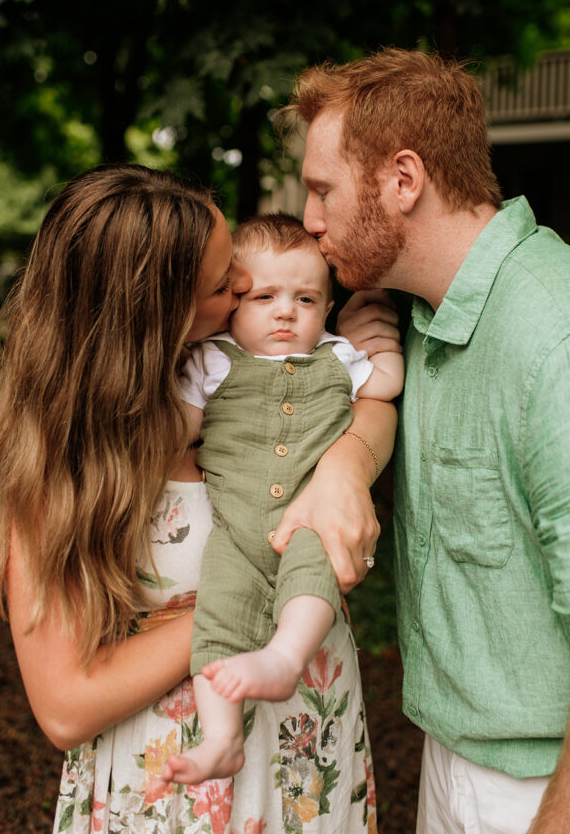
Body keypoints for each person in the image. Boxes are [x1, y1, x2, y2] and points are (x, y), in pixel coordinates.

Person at [0, 163, 397, 834]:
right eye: (227, 283)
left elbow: (373, 410)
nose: (250, 288)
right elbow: (67, 705)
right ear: (157, 309)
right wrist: (252, 600)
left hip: (307, 755)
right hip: (183, 788)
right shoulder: (63, 462)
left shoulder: (263, 377)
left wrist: (344, 469)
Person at [275, 48, 570, 834]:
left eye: (323, 188)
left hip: (556, 790)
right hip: (455, 760)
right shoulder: (426, 319)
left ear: (404, 180)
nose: (310, 219)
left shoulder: (561, 336)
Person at [164, 213, 403, 785]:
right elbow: (178, 429)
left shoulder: (339, 355)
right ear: (234, 303)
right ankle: (220, 738)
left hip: (308, 515)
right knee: (217, 616)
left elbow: (386, 385)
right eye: (264, 295)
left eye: (305, 298)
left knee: (312, 566)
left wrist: (380, 331)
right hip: (235, 532)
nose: (285, 310)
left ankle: (284, 660)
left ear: (326, 308)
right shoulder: (211, 360)